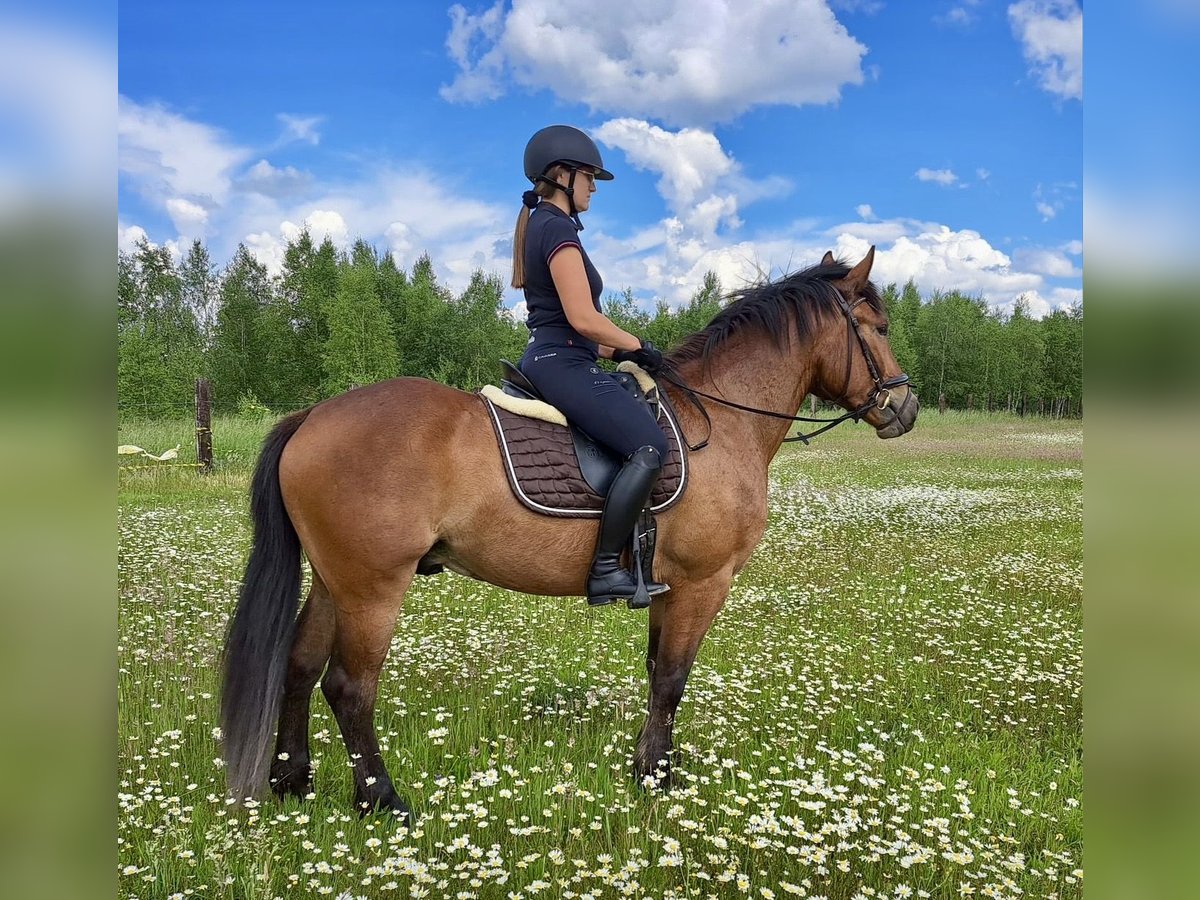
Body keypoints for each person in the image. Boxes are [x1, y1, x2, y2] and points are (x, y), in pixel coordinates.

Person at [511, 124, 669, 607]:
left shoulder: (544, 225)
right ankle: (604, 570)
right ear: (563, 175)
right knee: (648, 444)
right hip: (560, 364)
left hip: (560, 354)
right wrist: (638, 343)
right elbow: (584, 318)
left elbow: (572, 327)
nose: (594, 187)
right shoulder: (556, 228)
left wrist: (618, 350)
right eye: (589, 177)